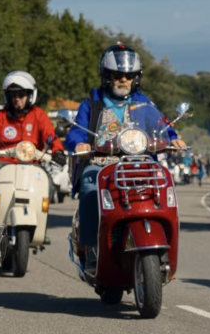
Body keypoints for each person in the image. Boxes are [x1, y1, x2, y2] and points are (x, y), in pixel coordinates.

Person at [64, 44, 185, 270]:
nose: (123, 80)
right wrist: (79, 142)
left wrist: (173, 137)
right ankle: (91, 248)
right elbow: (77, 131)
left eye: (128, 76)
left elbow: (162, 126)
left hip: (141, 164)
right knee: (90, 188)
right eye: (117, 75)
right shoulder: (92, 103)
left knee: (164, 186)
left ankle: (164, 245)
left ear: (135, 78)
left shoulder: (144, 104)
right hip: (101, 165)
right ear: (107, 76)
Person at [0, 70, 65, 217]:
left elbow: (50, 137)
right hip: (4, 164)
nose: (17, 99)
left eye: (21, 95)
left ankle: (39, 223)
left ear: (30, 95)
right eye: (13, 95)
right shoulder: (0, 116)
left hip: (32, 164)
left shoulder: (39, 115)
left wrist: (58, 151)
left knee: (49, 187)